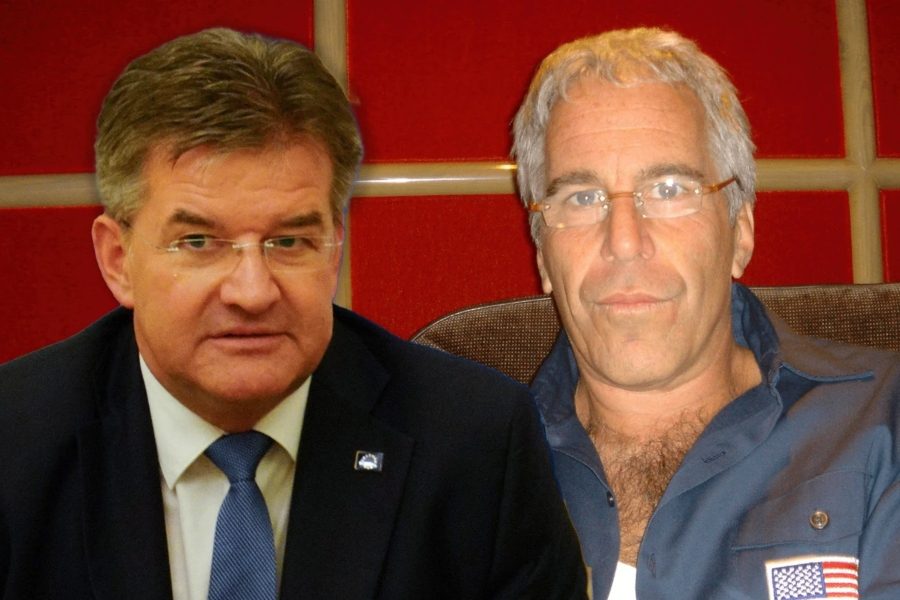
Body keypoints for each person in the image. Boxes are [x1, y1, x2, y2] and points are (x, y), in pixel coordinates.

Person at [0, 28, 587, 599]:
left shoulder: (474, 445)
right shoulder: (16, 445)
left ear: (333, 250)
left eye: (288, 242)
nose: (252, 293)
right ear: (118, 260)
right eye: (199, 242)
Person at [512, 27, 900, 600]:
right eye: (582, 198)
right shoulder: (467, 470)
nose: (624, 242)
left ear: (740, 231)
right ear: (544, 253)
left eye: (669, 189)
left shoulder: (884, 422)